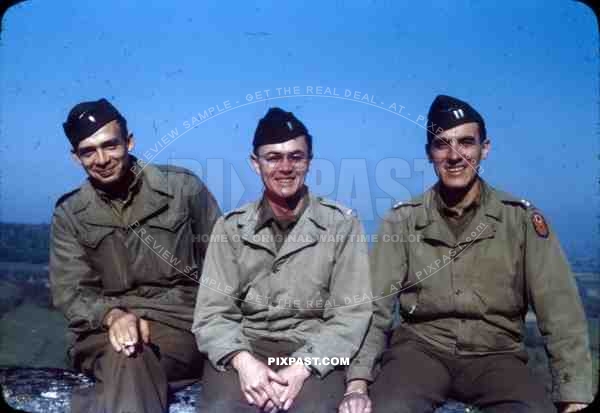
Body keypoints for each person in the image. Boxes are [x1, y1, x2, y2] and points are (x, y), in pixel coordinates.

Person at [339, 95, 593, 413]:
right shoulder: (402, 220)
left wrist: (575, 396)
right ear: (429, 153)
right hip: (419, 354)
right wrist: (358, 382)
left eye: (466, 142)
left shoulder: (521, 220)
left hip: (498, 356)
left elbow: (560, 312)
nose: (455, 155)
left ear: (484, 148)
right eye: (442, 144)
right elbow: (374, 308)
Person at [192, 107, 372, 413]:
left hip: (315, 351)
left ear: (309, 161)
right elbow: (212, 314)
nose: (285, 167)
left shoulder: (341, 225)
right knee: (222, 408)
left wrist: (303, 367)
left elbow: (351, 315)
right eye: (273, 157)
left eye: (296, 156)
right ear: (255, 163)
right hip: (246, 347)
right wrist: (244, 362)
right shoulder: (231, 228)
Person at [50, 98, 221, 413]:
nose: (101, 159)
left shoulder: (182, 189)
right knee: (128, 354)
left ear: (130, 142)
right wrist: (113, 317)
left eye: (110, 146)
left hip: (178, 325)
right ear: (76, 158)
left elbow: (224, 265)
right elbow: (70, 291)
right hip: (100, 330)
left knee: (129, 360)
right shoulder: (70, 213)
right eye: (88, 151)